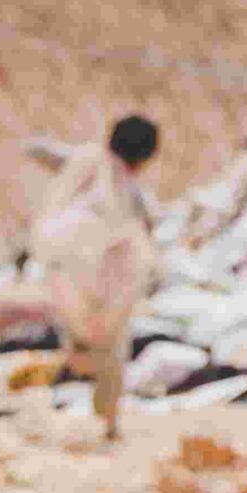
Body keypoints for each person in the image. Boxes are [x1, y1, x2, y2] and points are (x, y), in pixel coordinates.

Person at [29, 115, 161, 441]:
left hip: (77, 278)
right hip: (112, 284)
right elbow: (144, 228)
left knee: (84, 344)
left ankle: (85, 401)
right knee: (114, 352)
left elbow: (51, 155)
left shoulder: (88, 164)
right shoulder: (128, 188)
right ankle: (108, 421)